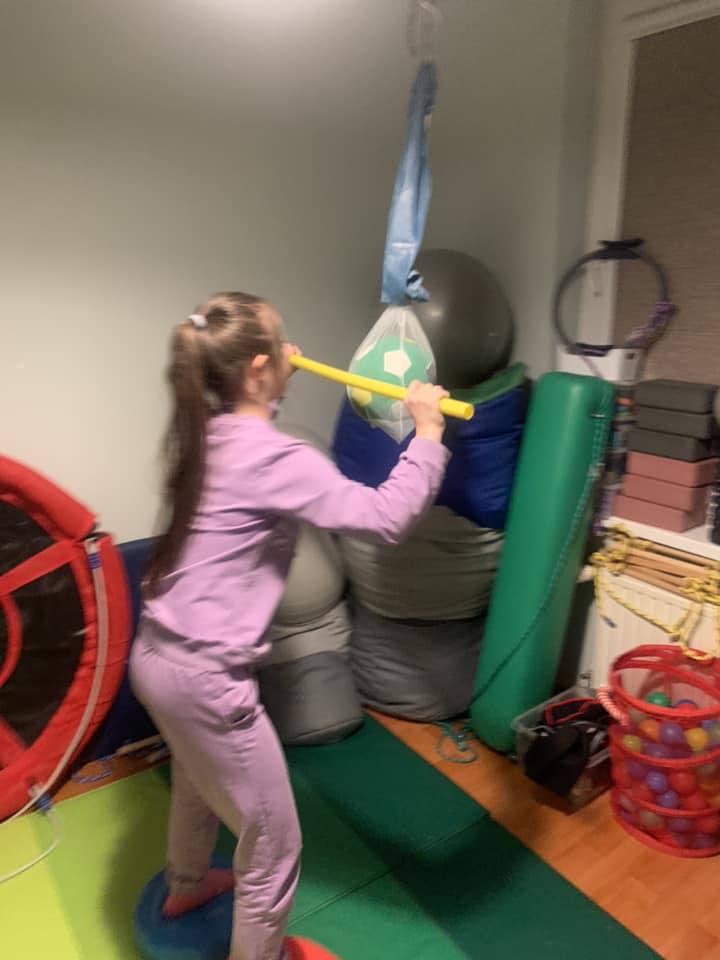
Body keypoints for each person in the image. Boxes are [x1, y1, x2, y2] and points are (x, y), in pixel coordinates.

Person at [129, 292, 451, 960]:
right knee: (274, 848)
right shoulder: (276, 458)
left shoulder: (208, 435)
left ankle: (187, 885)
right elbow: (385, 518)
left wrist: (271, 383)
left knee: (195, 780)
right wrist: (427, 434)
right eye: (282, 344)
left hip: (155, 660)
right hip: (205, 682)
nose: (292, 352)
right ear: (256, 368)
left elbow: (256, 444)